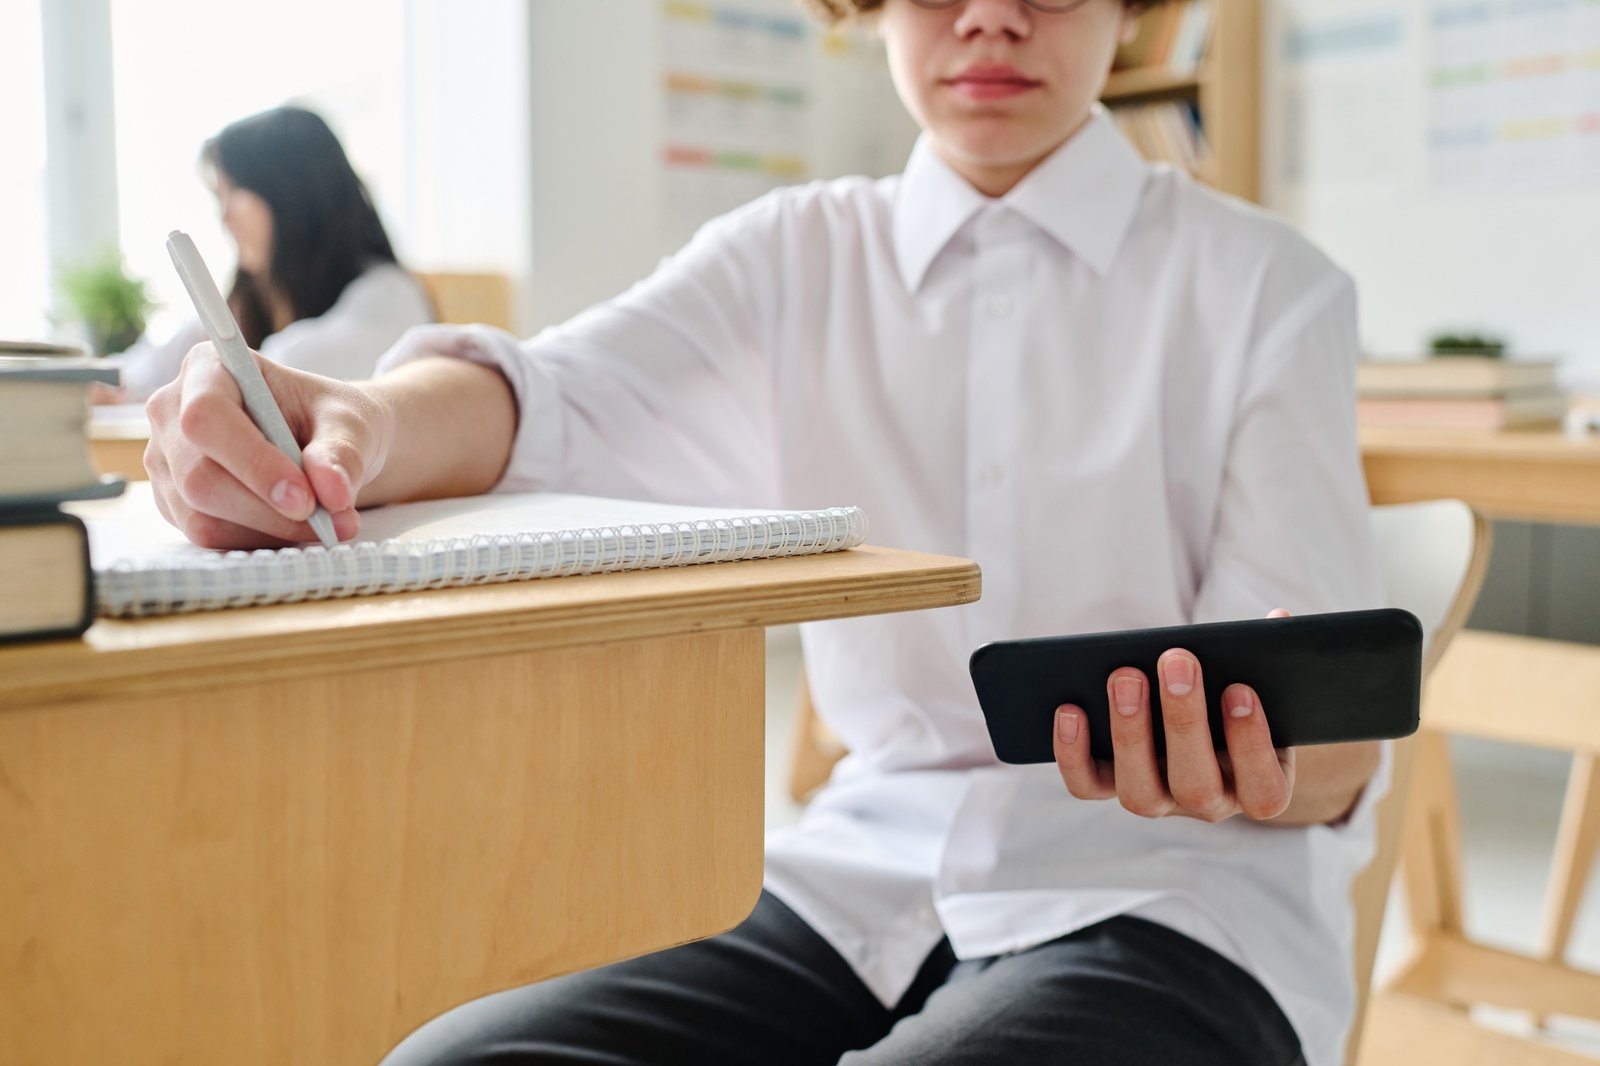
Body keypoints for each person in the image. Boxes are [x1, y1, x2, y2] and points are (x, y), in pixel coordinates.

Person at [141, 1, 1386, 1063]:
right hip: (862, 868)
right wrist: (355, 415)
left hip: (1178, 895)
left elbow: (1330, 742)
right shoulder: (793, 255)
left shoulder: (1265, 288)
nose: (992, 16)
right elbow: (547, 400)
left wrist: (1272, 761)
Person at [100, 106, 432, 403]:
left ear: (291, 195)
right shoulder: (250, 300)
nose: (225, 216)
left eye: (235, 193)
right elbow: (146, 368)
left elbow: (285, 376)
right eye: (220, 197)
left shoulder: (389, 297)